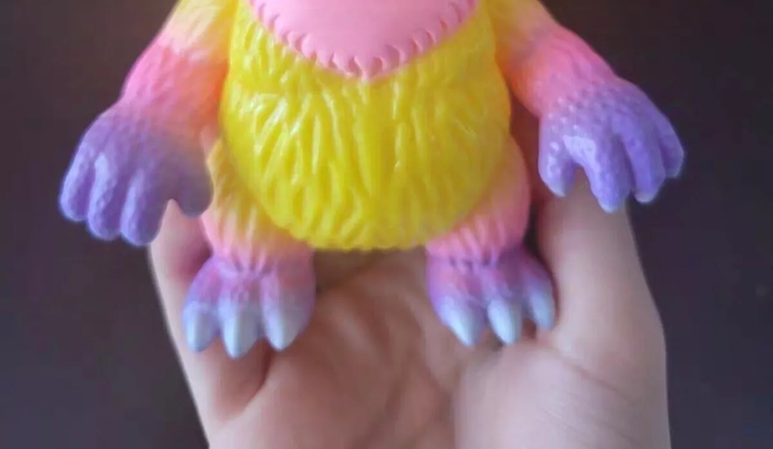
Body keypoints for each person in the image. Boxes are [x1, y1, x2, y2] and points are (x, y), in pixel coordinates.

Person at [150, 135, 674, 449]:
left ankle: (479, 262)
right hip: (275, 188)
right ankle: (254, 269)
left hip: (464, 187)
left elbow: (535, 48)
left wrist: (583, 99)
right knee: (228, 174)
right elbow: (178, 68)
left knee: (495, 168)